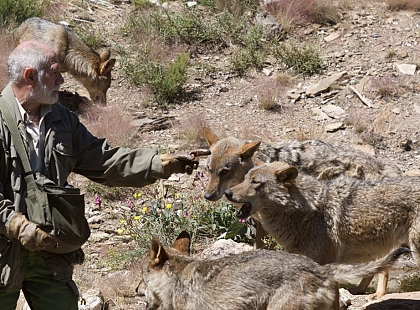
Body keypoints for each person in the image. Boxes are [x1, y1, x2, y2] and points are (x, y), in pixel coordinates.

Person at [0, 40, 199, 310]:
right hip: (4, 252)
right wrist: (16, 225)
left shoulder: (62, 119)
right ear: (30, 76)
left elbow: (103, 160)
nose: (62, 79)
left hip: (49, 249)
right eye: (55, 72)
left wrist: (159, 163)